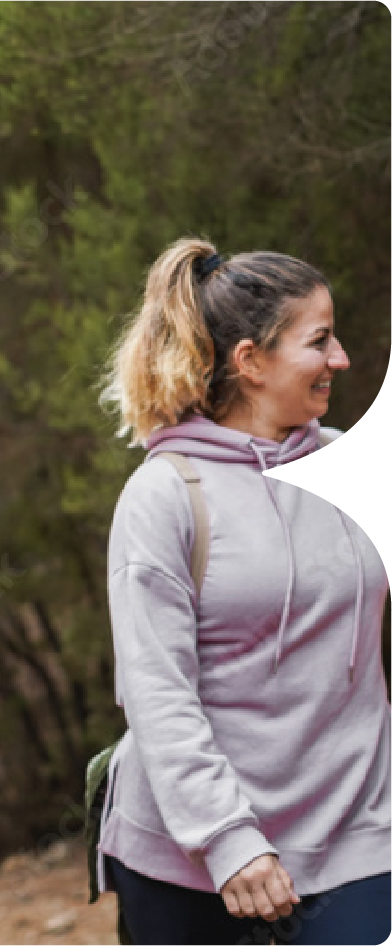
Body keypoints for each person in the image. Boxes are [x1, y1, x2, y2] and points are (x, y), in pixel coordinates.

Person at [97, 238, 392, 945]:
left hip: (355, 836)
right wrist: (229, 839)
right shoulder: (162, 496)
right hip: (188, 857)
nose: (341, 359)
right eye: (318, 341)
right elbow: (156, 692)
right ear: (249, 362)